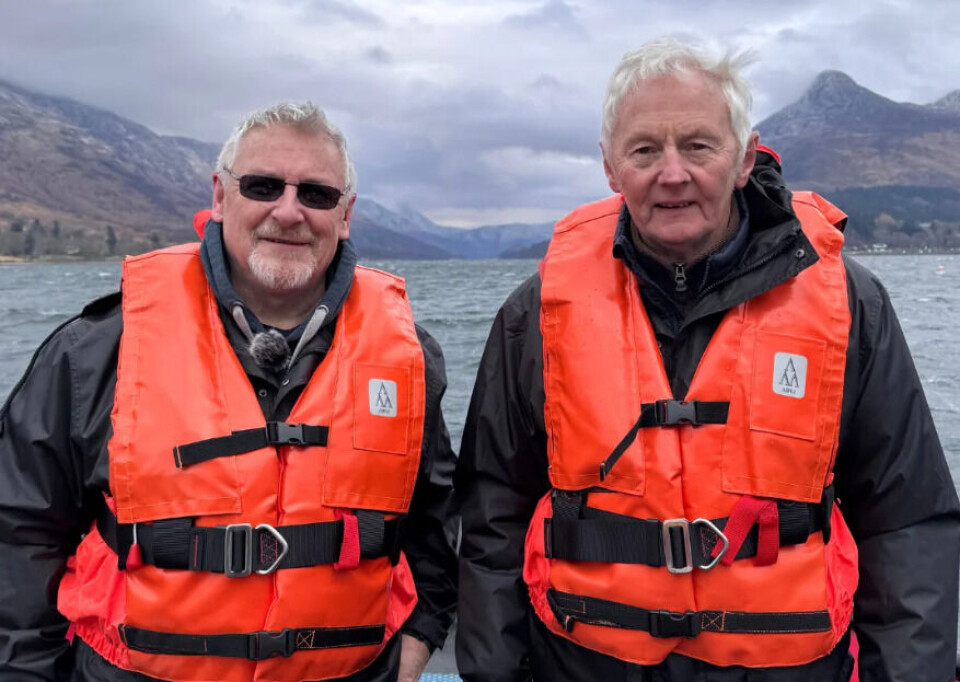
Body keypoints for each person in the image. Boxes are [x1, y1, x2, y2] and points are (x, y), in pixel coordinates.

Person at [456, 38, 960, 682]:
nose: (672, 173)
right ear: (611, 168)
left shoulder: (849, 304)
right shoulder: (537, 314)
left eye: (698, 145)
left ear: (744, 157)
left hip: (791, 664)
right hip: (585, 663)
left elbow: (906, 519)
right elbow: (494, 510)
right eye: (644, 150)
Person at [0, 102, 457, 682]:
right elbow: (19, 531)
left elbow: (437, 521)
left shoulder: (411, 359)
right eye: (263, 186)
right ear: (220, 197)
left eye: (317, 195)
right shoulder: (97, 351)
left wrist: (419, 640)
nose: (288, 213)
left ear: (345, 216)